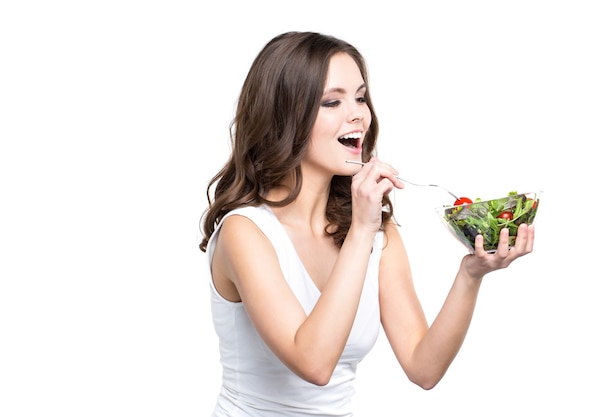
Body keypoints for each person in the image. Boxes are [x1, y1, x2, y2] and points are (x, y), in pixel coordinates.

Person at [199, 31, 535, 417]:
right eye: (332, 101)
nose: (358, 113)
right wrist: (361, 230)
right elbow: (313, 364)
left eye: (360, 97)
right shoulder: (245, 232)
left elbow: (422, 367)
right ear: (284, 117)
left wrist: (470, 274)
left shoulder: (376, 232)